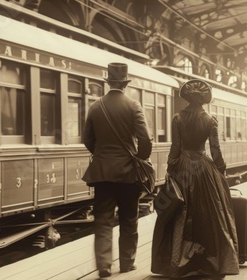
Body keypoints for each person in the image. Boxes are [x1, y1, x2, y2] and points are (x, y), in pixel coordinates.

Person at [151, 79, 240, 278]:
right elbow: (215, 149)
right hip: (204, 169)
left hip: (182, 167)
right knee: (211, 213)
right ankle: (209, 261)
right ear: (204, 100)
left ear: (187, 98)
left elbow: (175, 147)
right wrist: (221, 170)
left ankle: (179, 263)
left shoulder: (177, 118)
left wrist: (170, 167)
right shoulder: (210, 120)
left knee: (179, 211)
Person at [82, 63, 153, 278]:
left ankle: (103, 266)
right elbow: (145, 139)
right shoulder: (134, 106)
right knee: (129, 218)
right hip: (127, 173)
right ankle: (127, 263)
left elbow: (87, 139)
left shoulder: (95, 107)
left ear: (109, 82)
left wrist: (102, 155)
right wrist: (139, 158)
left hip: (103, 173)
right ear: (124, 83)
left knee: (103, 219)